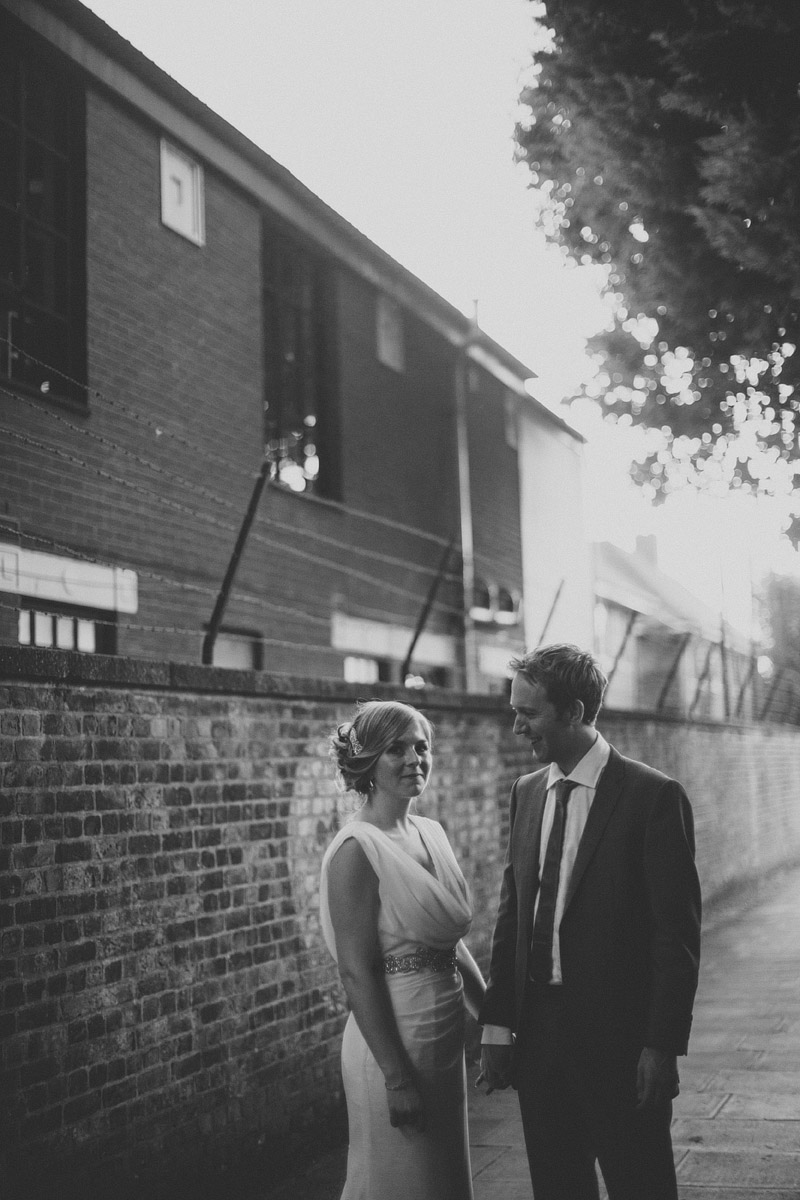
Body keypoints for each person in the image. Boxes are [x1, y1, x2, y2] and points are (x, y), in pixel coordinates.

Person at [478, 644, 701, 1200]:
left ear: (574, 712)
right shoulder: (527, 793)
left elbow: (675, 937)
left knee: (641, 1184)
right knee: (557, 1186)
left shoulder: (654, 796)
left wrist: (662, 1046)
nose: (516, 727)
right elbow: (513, 912)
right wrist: (496, 1025)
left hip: (621, 1043)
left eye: (528, 713)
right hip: (539, 1041)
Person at [320, 699, 486, 1200]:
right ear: (368, 762)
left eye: (422, 746)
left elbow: (447, 942)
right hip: (392, 1044)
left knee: (441, 1181)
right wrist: (397, 1079)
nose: (415, 758)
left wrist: (493, 1016)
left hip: (442, 1033)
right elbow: (356, 971)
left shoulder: (431, 832)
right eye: (397, 749)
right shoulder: (356, 849)